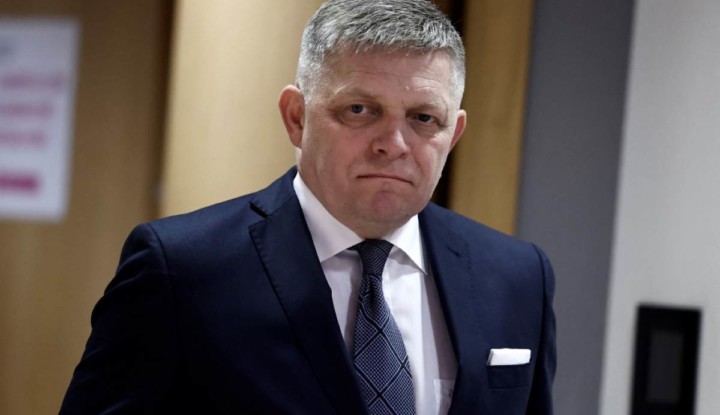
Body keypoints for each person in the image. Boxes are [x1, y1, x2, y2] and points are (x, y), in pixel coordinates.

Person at [60, 0, 555, 414]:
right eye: (359, 110)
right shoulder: (182, 269)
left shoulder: (517, 276)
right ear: (296, 118)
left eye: (424, 118)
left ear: (454, 134)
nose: (394, 144)